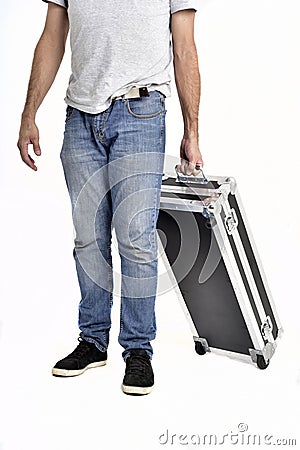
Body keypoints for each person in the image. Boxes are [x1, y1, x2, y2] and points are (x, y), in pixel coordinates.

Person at [17, 0, 203, 395]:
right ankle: (92, 341)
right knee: (88, 239)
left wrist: (192, 130)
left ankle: (137, 349)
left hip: (141, 111)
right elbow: (53, 35)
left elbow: (184, 45)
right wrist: (28, 112)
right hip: (80, 117)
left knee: (135, 240)